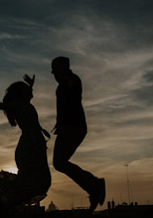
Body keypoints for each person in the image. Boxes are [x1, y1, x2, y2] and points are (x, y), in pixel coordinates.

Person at [0, 75, 51, 210]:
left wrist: (30, 86)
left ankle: (9, 202)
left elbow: (27, 95)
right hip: (30, 145)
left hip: (34, 143)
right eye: (27, 90)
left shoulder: (23, 103)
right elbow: (2, 105)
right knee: (35, 178)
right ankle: (6, 203)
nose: (31, 93)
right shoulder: (18, 104)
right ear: (21, 94)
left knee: (37, 177)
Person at [49, 56, 105, 211]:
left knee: (59, 162)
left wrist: (65, 79)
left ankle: (94, 186)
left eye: (55, 72)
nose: (54, 76)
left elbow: (72, 88)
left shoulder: (72, 80)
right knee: (60, 163)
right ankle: (94, 185)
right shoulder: (62, 85)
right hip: (69, 126)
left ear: (62, 69)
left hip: (74, 126)